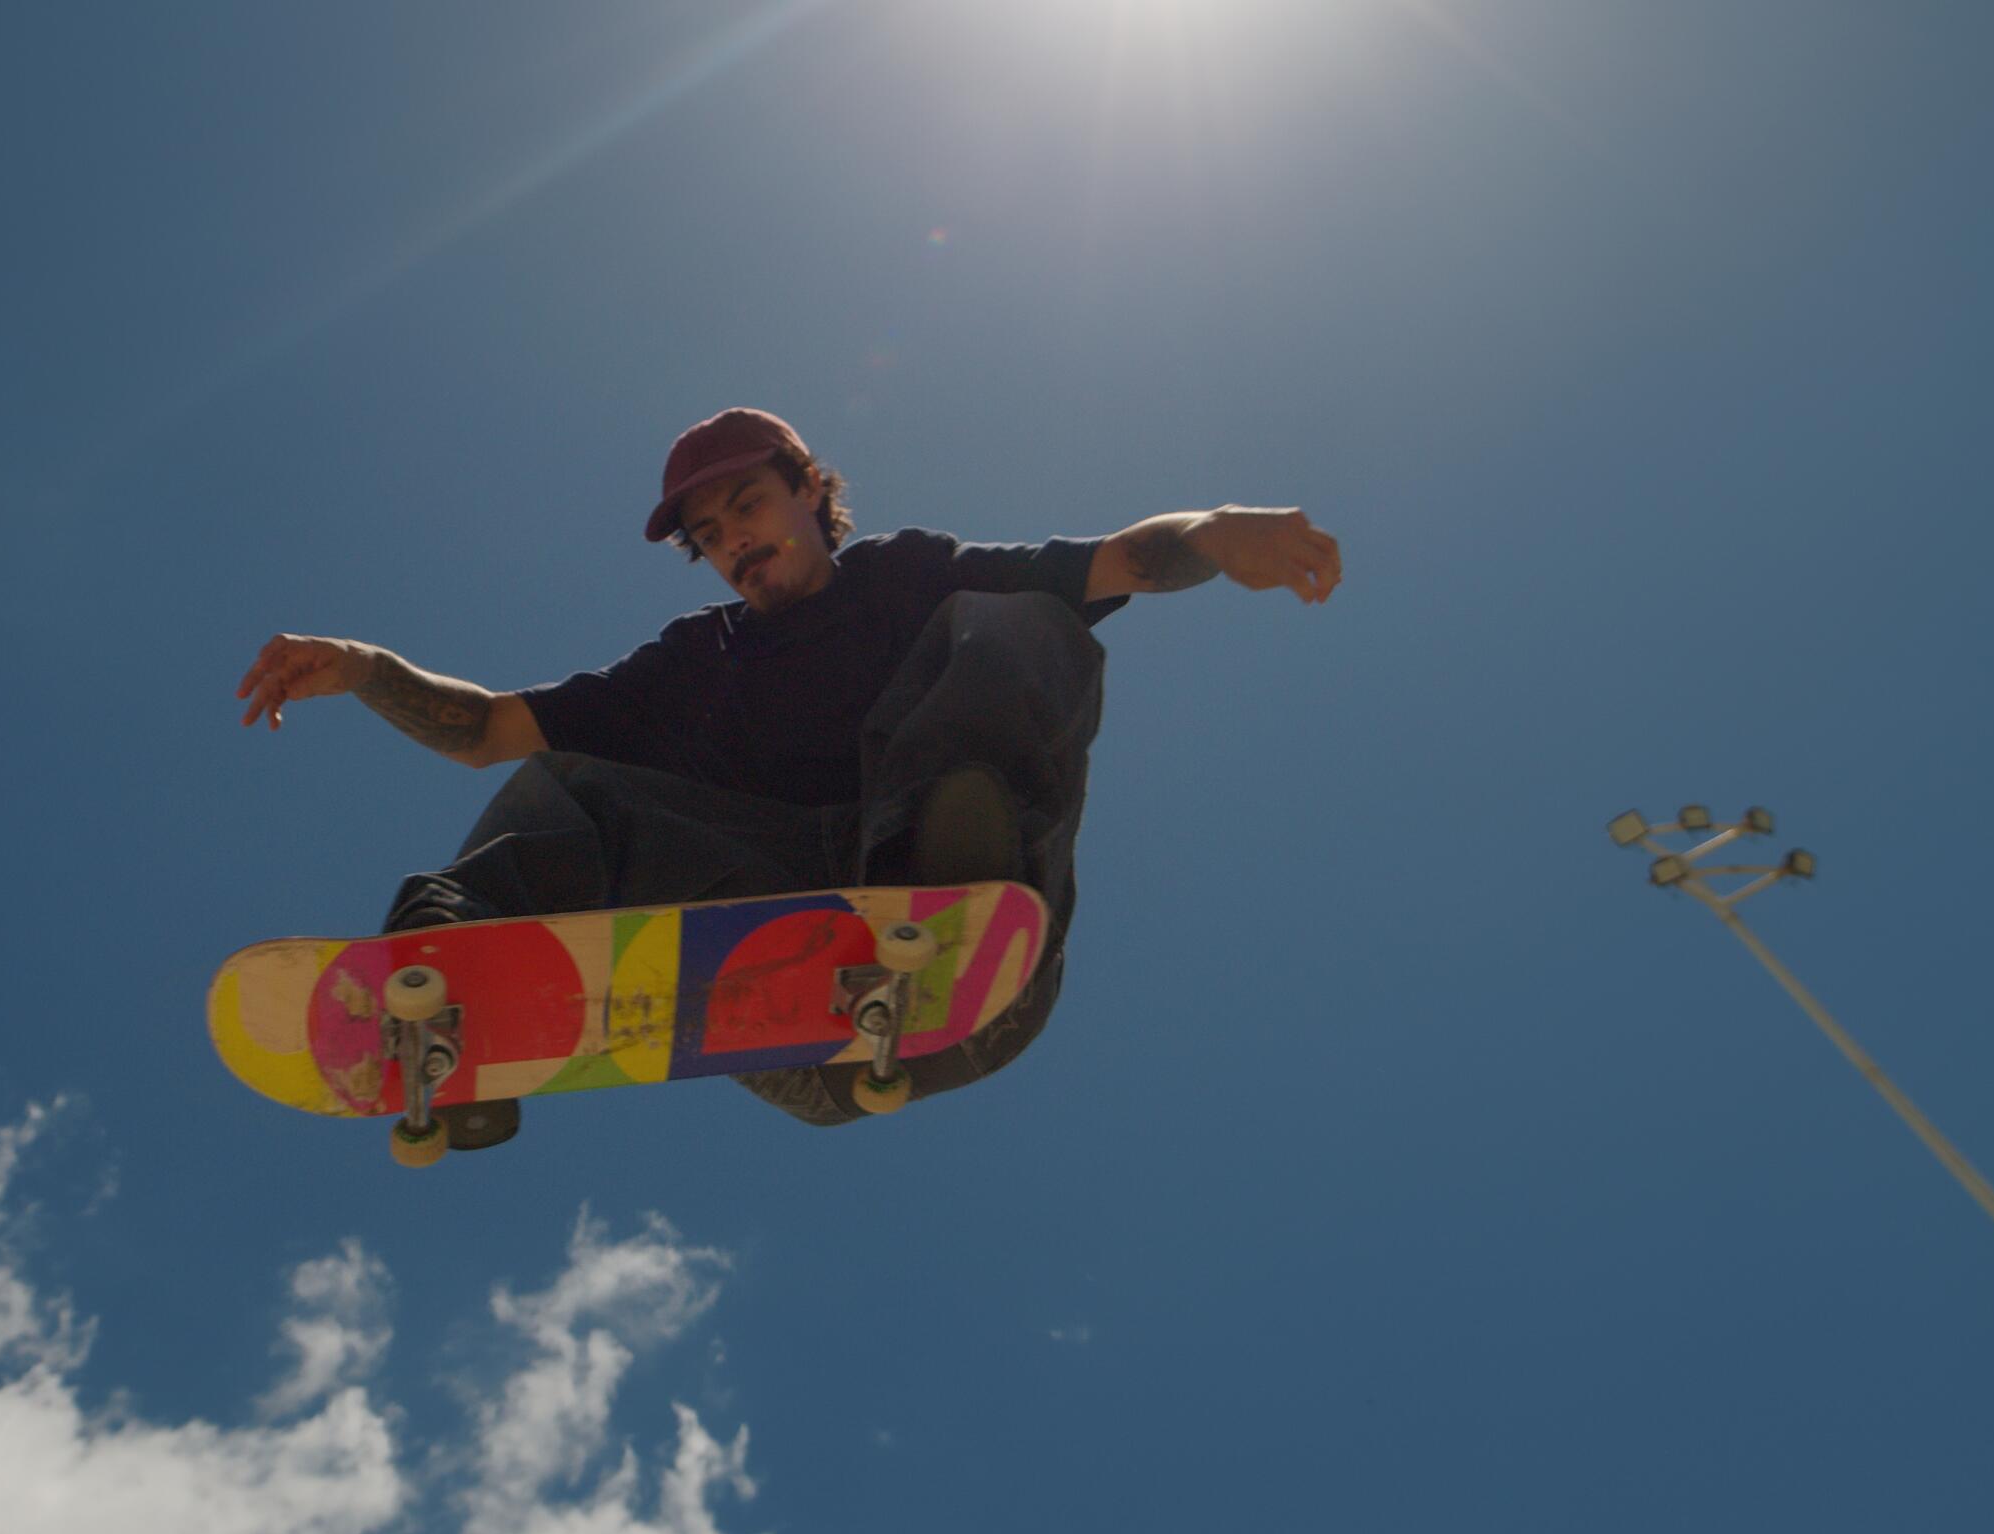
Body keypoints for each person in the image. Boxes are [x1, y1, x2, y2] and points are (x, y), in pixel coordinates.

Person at [235, 408, 1340, 1148]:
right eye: (710, 538)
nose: (734, 547)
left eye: (749, 511)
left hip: (978, 985)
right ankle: (445, 997)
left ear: (810, 489)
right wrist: (370, 671)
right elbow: (488, 731)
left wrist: (1215, 530)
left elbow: (1117, 563)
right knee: (572, 779)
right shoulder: (693, 665)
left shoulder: (909, 575)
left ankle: (936, 879)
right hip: (797, 1005)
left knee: (1014, 622)